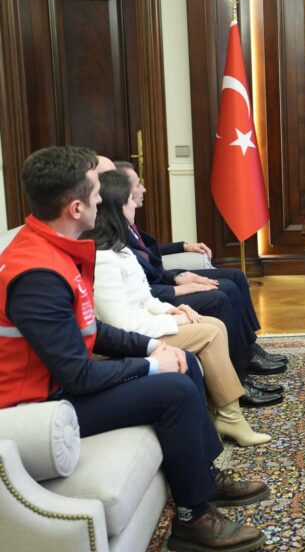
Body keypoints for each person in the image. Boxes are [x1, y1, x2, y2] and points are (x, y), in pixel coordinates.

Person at [0, 146, 267, 551]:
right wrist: (151, 365)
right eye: (95, 192)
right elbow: (77, 375)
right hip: (38, 407)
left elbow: (92, 330)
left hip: (57, 386)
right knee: (173, 389)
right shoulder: (38, 273)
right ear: (76, 208)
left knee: (183, 361)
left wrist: (153, 345)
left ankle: (203, 477)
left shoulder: (54, 249)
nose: (101, 199)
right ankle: (193, 518)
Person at [84, 171, 270, 446]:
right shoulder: (102, 259)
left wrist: (172, 310)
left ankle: (225, 413)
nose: (135, 203)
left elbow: (144, 298)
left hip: (145, 323)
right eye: (129, 200)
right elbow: (122, 324)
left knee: (215, 325)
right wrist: (175, 322)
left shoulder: (119, 250)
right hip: (129, 338)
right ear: (118, 207)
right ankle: (231, 416)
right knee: (210, 333)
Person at [113, 161, 286, 406]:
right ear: (121, 193)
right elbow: (140, 285)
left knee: (236, 277)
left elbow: (148, 252)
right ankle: (239, 377)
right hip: (158, 289)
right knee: (221, 293)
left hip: (161, 279)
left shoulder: (125, 222)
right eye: (137, 185)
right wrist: (176, 284)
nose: (143, 189)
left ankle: (248, 349)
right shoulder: (112, 232)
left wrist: (183, 247)